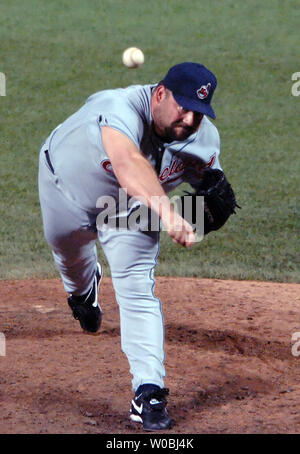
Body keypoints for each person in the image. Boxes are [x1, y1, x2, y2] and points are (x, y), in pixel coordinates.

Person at [38, 62, 222, 431]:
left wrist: (208, 203)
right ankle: (82, 290)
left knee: (138, 290)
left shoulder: (203, 139)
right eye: (182, 107)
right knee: (68, 253)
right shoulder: (118, 106)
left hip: (132, 212)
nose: (189, 119)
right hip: (66, 192)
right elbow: (127, 163)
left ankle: (148, 392)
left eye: (198, 112)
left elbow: (211, 188)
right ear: (159, 94)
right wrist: (171, 216)